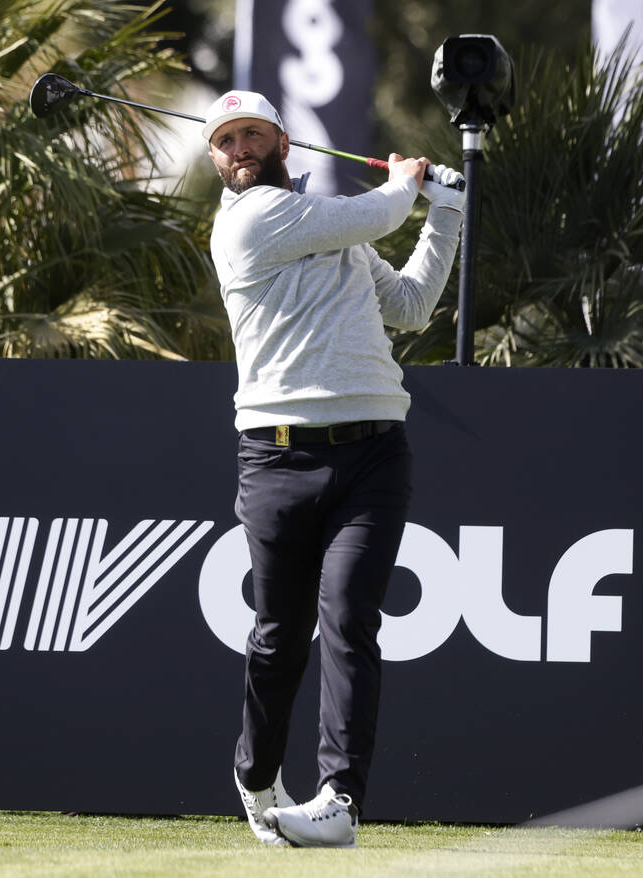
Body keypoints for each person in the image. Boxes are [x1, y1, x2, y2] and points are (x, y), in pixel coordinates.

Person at [202, 91, 465, 848]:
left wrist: (444, 212)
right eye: (226, 141)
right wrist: (412, 180)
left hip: (376, 450)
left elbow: (411, 306)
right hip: (279, 456)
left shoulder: (333, 235)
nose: (241, 148)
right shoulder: (249, 221)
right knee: (280, 635)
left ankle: (340, 801)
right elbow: (382, 211)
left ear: (283, 141)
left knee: (350, 621)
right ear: (217, 161)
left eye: (254, 134)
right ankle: (256, 775)